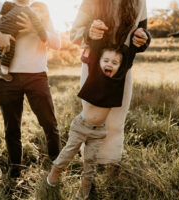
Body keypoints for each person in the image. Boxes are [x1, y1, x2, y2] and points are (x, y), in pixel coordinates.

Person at [0, 0, 61, 179]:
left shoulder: (40, 7)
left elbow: (57, 43)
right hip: (7, 78)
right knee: (12, 128)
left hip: (37, 76)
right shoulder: (0, 5)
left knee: (49, 124)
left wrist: (35, 28)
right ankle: (15, 172)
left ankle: (57, 166)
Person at [70, 0, 150, 172]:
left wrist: (143, 39)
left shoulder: (140, 2)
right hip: (93, 67)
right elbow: (74, 34)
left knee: (116, 122)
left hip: (122, 69)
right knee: (92, 119)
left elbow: (143, 34)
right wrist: (89, 33)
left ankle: (111, 166)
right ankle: (88, 167)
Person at [47, 47, 124, 199]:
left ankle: (85, 187)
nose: (110, 64)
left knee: (90, 160)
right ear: (99, 62)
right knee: (68, 152)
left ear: (120, 67)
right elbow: (92, 57)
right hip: (81, 126)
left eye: (115, 62)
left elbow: (127, 60)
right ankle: (55, 171)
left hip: (99, 131)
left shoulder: (117, 83)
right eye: (106, 61)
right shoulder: (94, 75)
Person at [0, 1, 49, 82]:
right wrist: (44, 37)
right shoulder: (31, 13)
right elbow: (39, 27)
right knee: (9, 50)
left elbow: (6, 4)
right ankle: (3, 71)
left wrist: (2, 15)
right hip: (8, 32)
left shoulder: (14, 6)